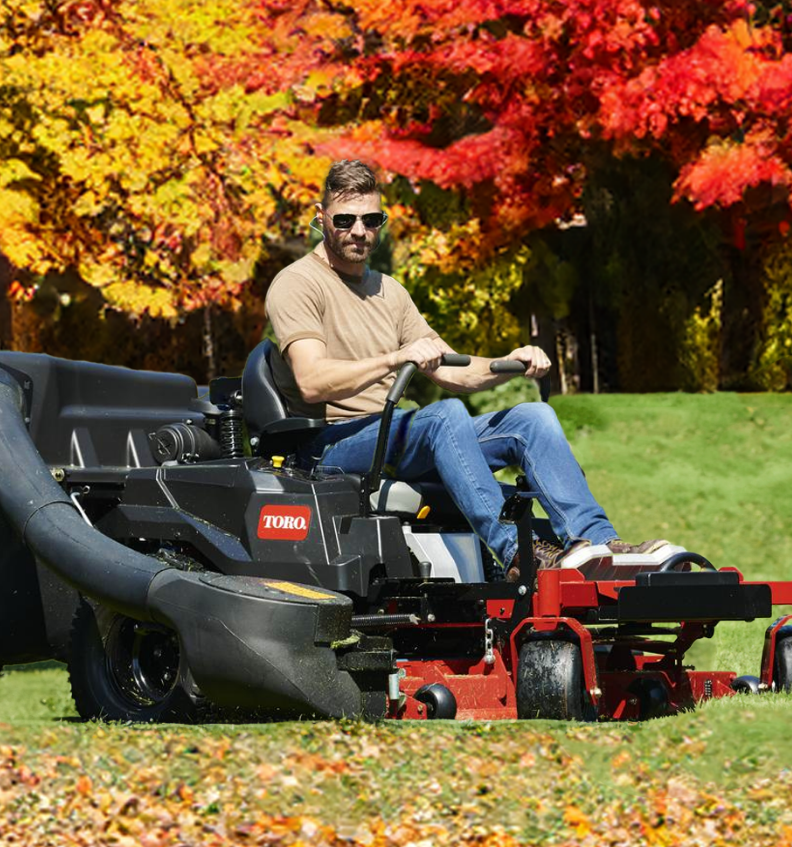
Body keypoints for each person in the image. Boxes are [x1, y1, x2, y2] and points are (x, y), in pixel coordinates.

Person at [264, 159, 681, 578]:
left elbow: (453, 371)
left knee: (532, 418)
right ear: (321, 218)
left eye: (371, 220)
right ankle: (519, 553)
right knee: (441, 417)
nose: (359, 231)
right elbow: (312, 381)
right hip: (332, 445)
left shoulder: (388, 291)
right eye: (345, 220)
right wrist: (395, 359)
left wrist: (511, 363)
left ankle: (597, 543)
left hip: (394, 436)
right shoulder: (298, 283)